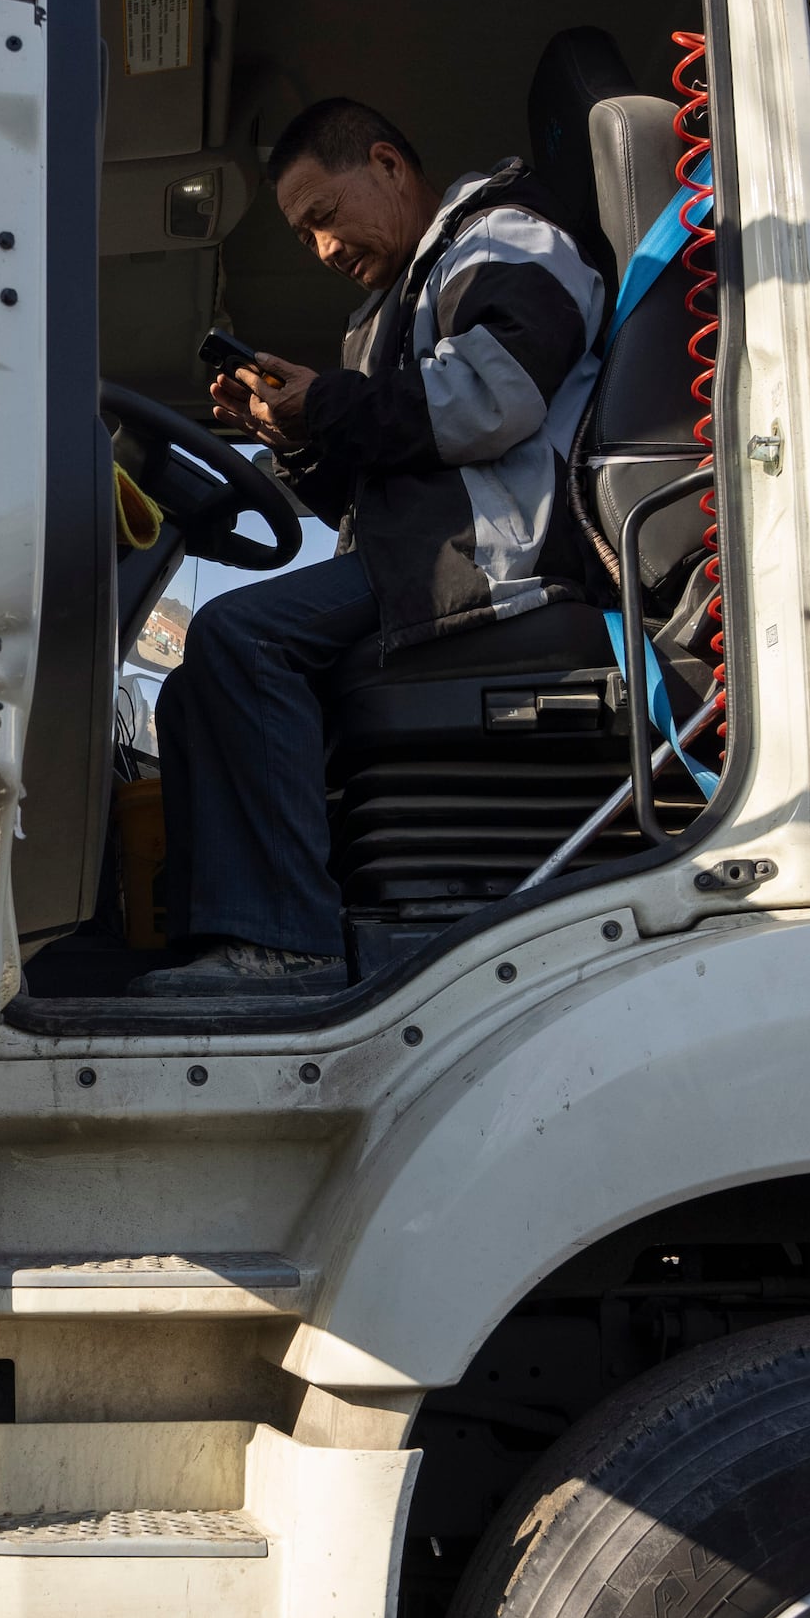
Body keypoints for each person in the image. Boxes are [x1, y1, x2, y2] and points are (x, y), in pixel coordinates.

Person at [136, 97, 606, 998]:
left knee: (243, 636)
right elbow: (371, 479)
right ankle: (220, 938)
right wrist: (291, 433)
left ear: (387, 167)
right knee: (195, 685)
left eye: (323, 217)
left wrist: (330, 406)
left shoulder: (502, 240)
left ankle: (284, 945)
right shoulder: (393, 308)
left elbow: (491, 399)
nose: (322, 249)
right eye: (305, 234)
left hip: (506, 554)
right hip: (421, 553)